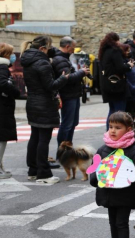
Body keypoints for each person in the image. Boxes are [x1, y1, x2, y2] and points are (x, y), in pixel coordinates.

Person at [21, 36, 69, 184]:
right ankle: (43, 174)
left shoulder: (27, 60)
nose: (49, 51)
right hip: (44, 104)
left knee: (35, 137)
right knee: (43, 139)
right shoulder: (42, 62)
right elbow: (50, 85)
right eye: (48, 48)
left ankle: (33, 170)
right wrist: (63, 78)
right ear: (42, 48)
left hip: (33, 103)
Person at [52, 36, 89, 149]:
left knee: (72, 123)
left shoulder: (65, 58)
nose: (74, 50)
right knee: (67, 124)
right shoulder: (60, 59)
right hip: (68, 95)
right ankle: (62, 150)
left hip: (72, 94)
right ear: (67, 47)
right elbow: (67, 78)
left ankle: (67, 147)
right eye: (73, 48)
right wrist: (82, 72)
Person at [98, 32, 135, 130]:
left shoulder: (103, 52)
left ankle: (109, 132)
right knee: (119, 112)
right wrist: (129, 66)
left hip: (108, 85)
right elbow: (120, 67)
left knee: (112, 110)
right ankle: (115, 134)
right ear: (115, 41)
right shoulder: (115, 51)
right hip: (117, 86)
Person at [0, 43, 20, 179]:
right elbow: (2, 83)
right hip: (3, 108)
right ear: (7, 55)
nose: (14, 56)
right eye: (12, 53)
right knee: (2, 138)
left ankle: (1, 166)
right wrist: (15, 92)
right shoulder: (2, 67)